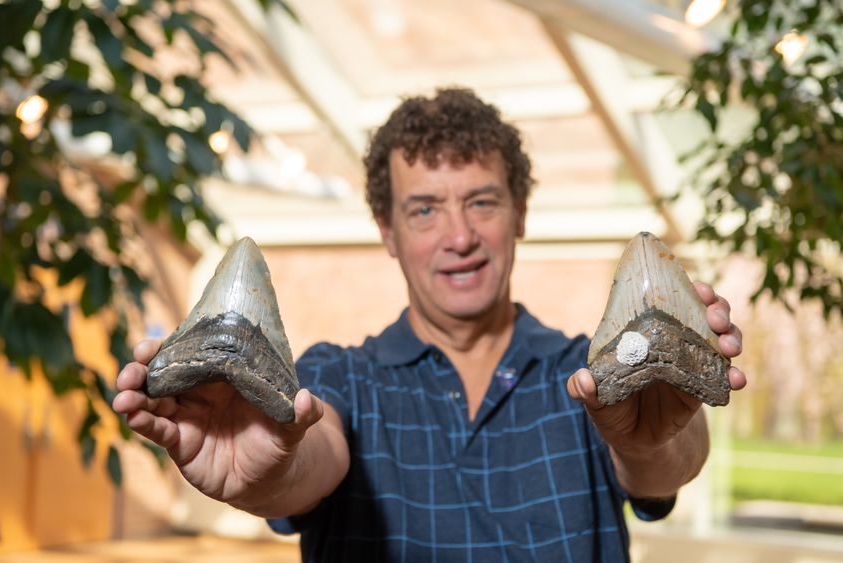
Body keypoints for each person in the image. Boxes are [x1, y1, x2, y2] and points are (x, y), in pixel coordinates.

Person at [114, 87, 746, 561]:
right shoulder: (341, 377)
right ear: (388, 231)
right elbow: (309, 456)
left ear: (519, 213)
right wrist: (265, 472)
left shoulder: (588, 372)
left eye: (482, 201)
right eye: (424, 210)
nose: (461, 236)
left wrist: (649, 436)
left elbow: (663, 465)